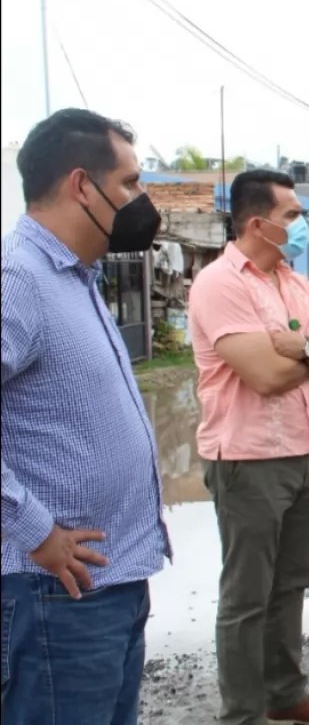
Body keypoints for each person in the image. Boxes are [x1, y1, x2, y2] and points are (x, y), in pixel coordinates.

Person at [1, 108, 171, 725]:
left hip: (110, 585)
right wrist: (35, 531)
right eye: (129, 182)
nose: (141, 199)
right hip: (56, 594)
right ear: (81, 185)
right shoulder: (17, 278)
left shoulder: (77, 278)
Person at [188, 170, 309, 725]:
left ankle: (286, 696)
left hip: (306, 450)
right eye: (292, 216)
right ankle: (243, 714)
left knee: (291, 583)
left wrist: (300, 347)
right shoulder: (219, 284)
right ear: (259, 224)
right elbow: (263, 376)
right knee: (247, 597)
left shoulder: (293, 282)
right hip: (248, 459)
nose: (301, 225)